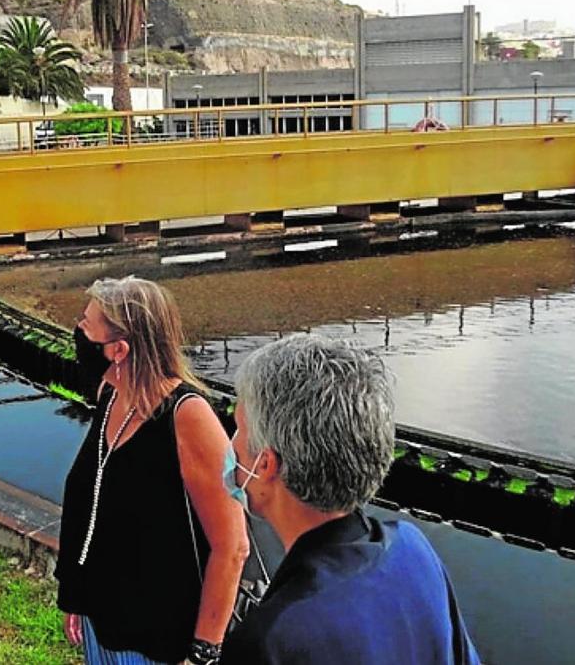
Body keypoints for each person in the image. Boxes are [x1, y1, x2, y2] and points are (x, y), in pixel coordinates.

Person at [219, 334, 480, 664]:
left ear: (266, 465)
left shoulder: (271, 640)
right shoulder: (413, 548)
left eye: (238, 430)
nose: (231, 445)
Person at [57, 276, 249, 665]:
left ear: (119, 349)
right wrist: (76, 594)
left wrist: (203, 652)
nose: (78, 333)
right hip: (103, 621)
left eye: (87, 326)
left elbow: (233, 546)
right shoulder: (111, 395)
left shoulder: (188, 416)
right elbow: (91, 503)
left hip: (160, 640)